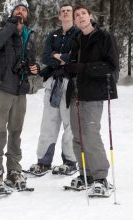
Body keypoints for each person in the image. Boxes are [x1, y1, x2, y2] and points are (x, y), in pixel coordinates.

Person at [64, 5, 119, 195]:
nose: (79, 17)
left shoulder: (103, 37)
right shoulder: (76, 39)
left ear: (90, 16)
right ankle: (85, 173)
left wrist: (83, 68)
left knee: (90, 134)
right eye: (76, 15)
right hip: (76, 94)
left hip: (94, 94)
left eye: (82, 14)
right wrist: (68, 66)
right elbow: (72, 64)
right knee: (78, 136)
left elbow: (111, 65)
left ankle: (100, 177)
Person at [0, 0, 39, 194]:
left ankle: (14, 170)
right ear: (11, 13)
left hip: (20, 90)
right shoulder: (0, 29)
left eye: (24, 10)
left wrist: (34, 68)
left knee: (16, 131)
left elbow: (31, 62)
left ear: (27, 15)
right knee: (0, 132)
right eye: (17, 9)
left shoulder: (29, 35)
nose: (20, 12)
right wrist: (10, 26)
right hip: (2, 89)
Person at [28, 3, 78, 176]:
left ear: (73, 16)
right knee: (48, 124)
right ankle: (43, 162)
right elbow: (45, 57)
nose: (65, 13)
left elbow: (74, 58)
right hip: (52, 83)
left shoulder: (78, 34)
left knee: (70, 124)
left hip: (70, 83)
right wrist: (60, 58)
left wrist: (58, 56)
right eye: (62, 11)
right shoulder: (53, 34)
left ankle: (70, 161)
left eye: (68, 11)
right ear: (59, 16)